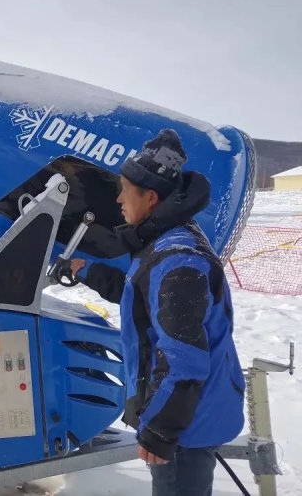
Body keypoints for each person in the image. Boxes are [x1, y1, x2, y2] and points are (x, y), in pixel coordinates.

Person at [70, 129, 245, 496]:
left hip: (185, 426)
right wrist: (86, 272)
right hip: (186, 415)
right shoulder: (166, 242)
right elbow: (143, 298)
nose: (118, 199)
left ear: (150, 197)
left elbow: (183, 361)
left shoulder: (178, 261)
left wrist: (162, 431)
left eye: (125, 190)